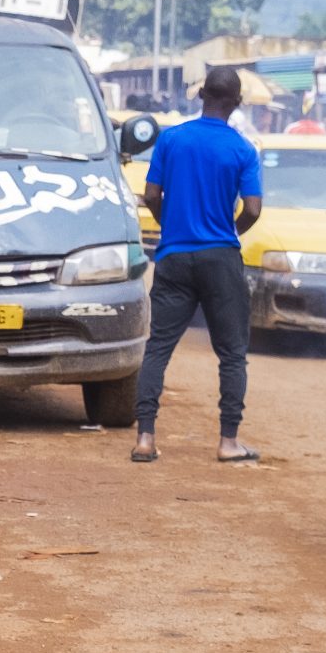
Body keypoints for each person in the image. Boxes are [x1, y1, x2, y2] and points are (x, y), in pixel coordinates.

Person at [130, 65, 263, 464]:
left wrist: (170, 221)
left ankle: (145, 439)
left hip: (173, 255)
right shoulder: (243, 149)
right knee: (232, 353)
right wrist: (231, 230)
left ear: (201, 95)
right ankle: (227, 442)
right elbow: (253, 209)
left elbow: (151, 193)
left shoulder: (172, 139)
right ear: (237, 103)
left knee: (157, 349)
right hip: (221, 257)